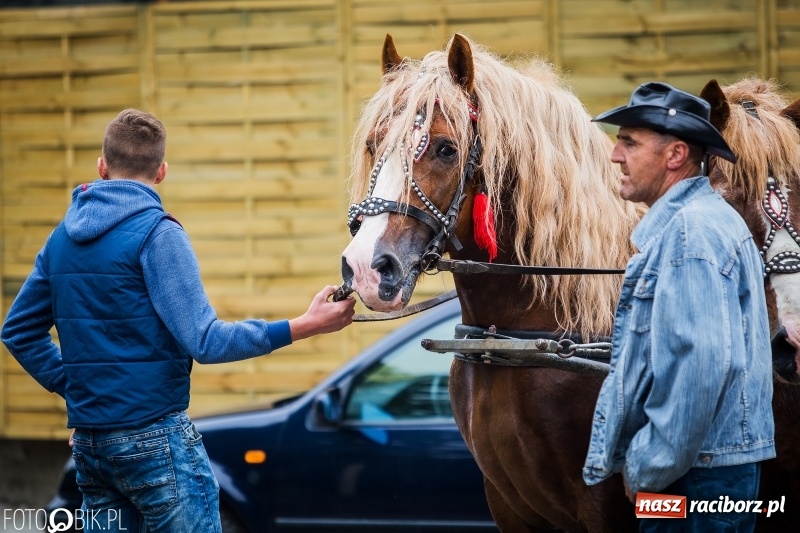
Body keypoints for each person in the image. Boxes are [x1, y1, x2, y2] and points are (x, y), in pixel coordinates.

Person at [0, 109, 356, 532]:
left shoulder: (61, 239)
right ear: (162, 171)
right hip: (155, 443)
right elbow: (205, 341)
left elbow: (17, 330)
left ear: (102, 165)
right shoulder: (158, 234)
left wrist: (79, 388)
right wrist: (305, 324)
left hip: (93, 447)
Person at [582, 83, 776, 532]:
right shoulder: (695, 224)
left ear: (675, 156)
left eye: (629, 142)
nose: (615, 155)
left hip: (696, 479)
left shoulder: (691, 234)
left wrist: (650, 463)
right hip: (701, 471)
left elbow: (700, 367)